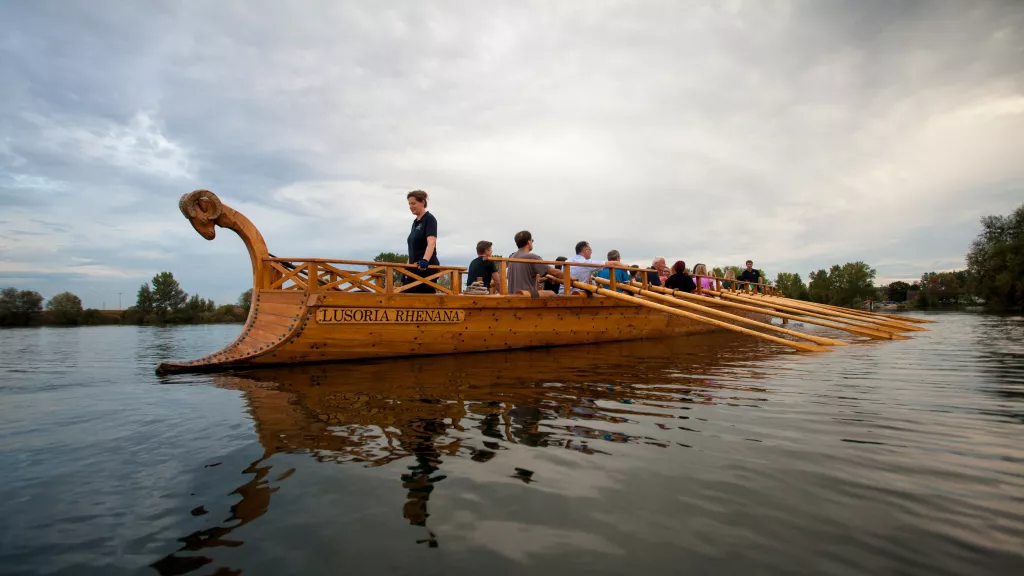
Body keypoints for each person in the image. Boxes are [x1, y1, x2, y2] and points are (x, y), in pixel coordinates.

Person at [405, 190, 439, 293]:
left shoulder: (429, 219)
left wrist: (425, 261)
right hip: (413, 269)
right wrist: (406, 267)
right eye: (409, 204)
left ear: (422, 202)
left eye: (413, 203)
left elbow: (432, 241)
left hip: (424, 268)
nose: (411, 206)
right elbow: (412, 248)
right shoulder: (415, 223)